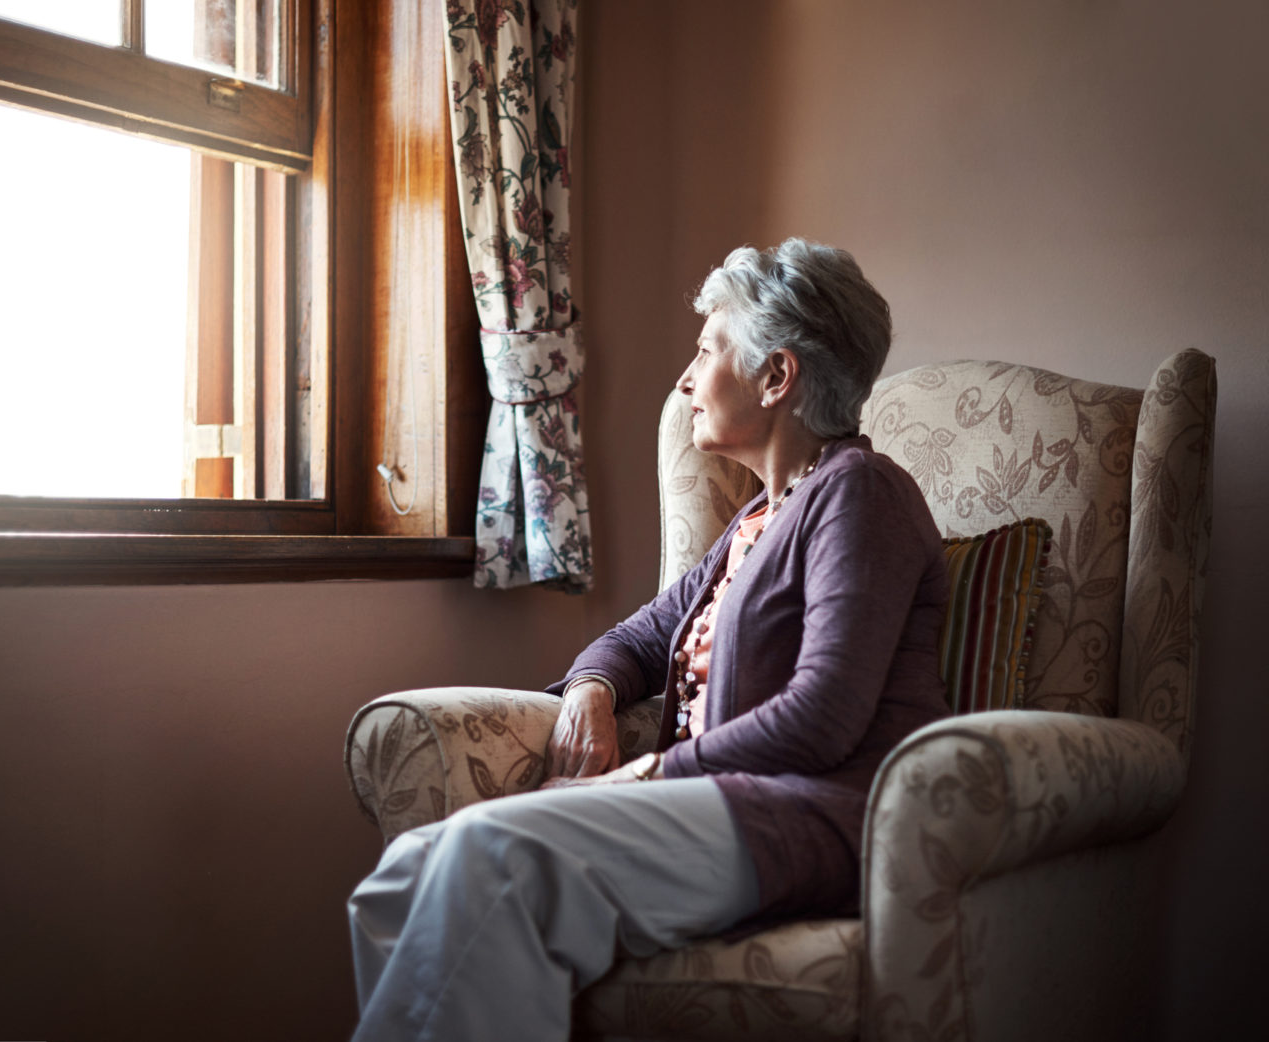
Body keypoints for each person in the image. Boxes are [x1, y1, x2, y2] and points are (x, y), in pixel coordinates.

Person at [348, 238, 950, 1041]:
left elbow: (827, 712)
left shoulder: (860, 494)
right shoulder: (757, 519)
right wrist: (594, 690)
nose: (685, 378)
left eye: (706, 351)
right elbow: (641, 634)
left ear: (778, 378)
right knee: (398, 879)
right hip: (723, 805)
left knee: (488, 857)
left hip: (815, 818)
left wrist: (647, 773)